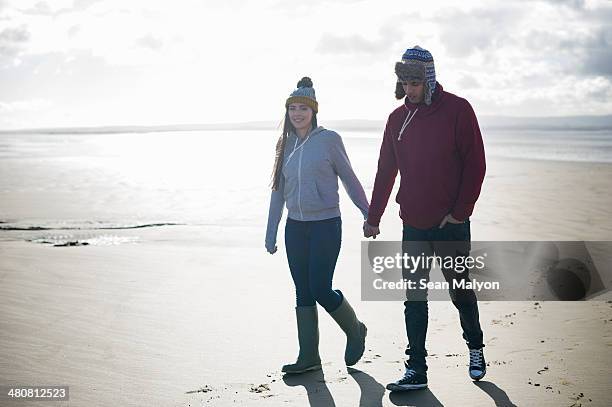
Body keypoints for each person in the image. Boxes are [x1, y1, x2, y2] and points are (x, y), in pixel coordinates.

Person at [363, 46, 487, 390]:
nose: (409, 89)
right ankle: (416, 367)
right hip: (413, 223)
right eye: (404, 82)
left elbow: (476, 165)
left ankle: (475, 347)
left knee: (460, 290)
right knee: (414, 297)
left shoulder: (458, 110)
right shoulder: (396, 119)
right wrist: (374, 216)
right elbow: (386, 170)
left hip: (450, 224)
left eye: (415, 82)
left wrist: (460, 212)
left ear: (428, 78)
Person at [266, 77, 369, 374]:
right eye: (292, 108)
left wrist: (367, 213)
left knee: (321, 287)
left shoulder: (329, 140)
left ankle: (354, 329)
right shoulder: (283, 144)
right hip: (295, 228)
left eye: (303, 108)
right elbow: (278, 191)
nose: (297, 113)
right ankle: (309, 357)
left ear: (313, 112)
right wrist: (271, 231)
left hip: (325, 225)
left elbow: (349, 179)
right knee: (303, 291)